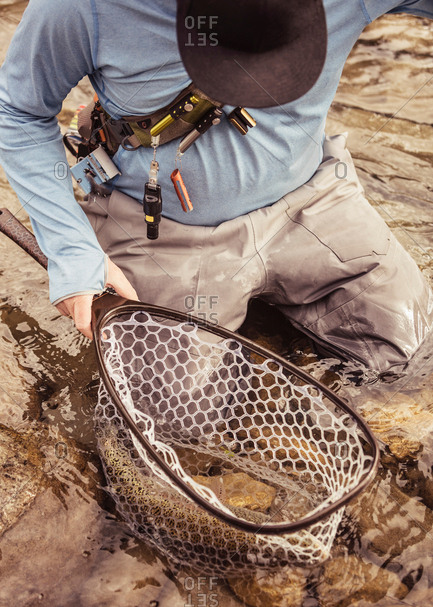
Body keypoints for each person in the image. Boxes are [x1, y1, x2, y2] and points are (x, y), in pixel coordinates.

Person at [0, 0, 432, 374]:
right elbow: (18, 112)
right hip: (165, 237)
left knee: (417, 360)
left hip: (317, 202)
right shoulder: (85, 7)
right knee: (172, 428)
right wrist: (71, 248)